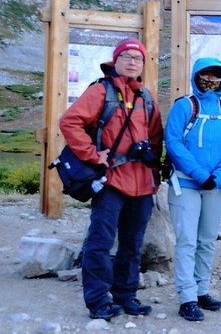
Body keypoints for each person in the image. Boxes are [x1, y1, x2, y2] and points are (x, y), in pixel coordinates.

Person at [59, 38, 164, 321]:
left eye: (138, 58)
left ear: (143, 64)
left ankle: (126, 295)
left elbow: (155, 139)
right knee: (101, 241)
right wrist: (93, 155)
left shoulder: (146, 97)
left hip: (142, 182)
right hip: (112, 180)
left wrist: (154, 170)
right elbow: (70, 122)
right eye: (127, 57)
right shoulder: (100, 91)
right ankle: (97, 300)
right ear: (115, 60)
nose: (132, 62)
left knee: (132, 242)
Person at [165, 57, 221, 322]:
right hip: (186, 183)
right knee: (187, 240)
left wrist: (218, 174)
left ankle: (201, 290)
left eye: (215, 76)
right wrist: (200, 174)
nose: (210, 80)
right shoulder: (184, 106)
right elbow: (173, 142)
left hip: (216, 185)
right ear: (196, 76)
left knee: (207, 240)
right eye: (205, 75)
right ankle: (187, 297)